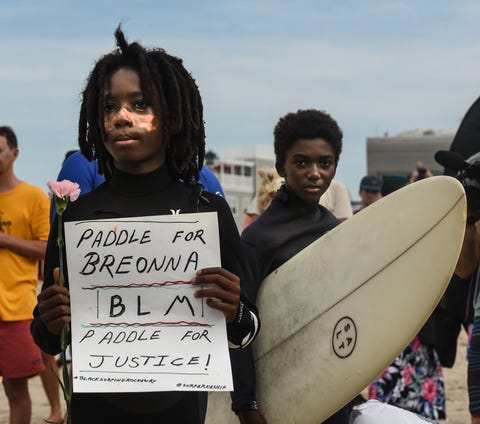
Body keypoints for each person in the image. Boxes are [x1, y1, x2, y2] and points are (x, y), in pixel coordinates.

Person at [31, 27, 259, 424]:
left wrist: (234, 309)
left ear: (170, 116)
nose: (121, 117)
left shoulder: (206, 212)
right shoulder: (76, 218)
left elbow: (245, 333)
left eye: (139, 104)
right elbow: (47, 336)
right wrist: (49, 320)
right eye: (108, 107)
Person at [231, 109, 349, 423]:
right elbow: (238, 325)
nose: (314, 173)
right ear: (281, 165)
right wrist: (246, 405)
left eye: (325, 163)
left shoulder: (332, 227)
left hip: (331, 381)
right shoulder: (259, 238)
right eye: (301, 162)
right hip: (280, 391)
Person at [368, 167, 446, 422]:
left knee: (386, 408)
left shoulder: (374, 232)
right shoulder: (418, 229)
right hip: (406, 333)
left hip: (396, 335)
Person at [0, 126, 51, 424]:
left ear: (14, 154)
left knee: (16, 390)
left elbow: (47, 249)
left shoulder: (33, 197)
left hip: (16, 309)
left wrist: (5, 240)